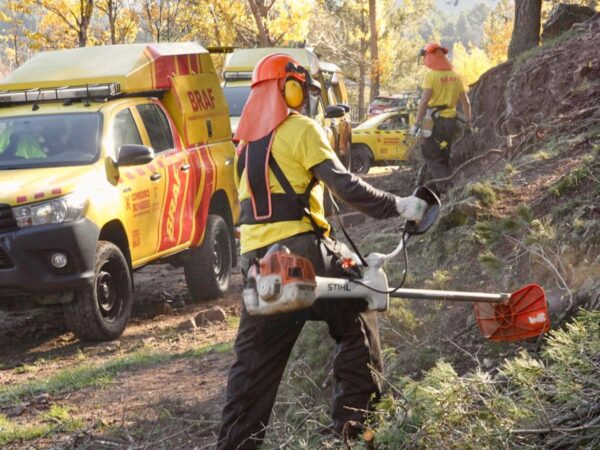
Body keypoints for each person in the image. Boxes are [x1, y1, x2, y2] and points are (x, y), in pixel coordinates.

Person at [217, 53, 427, 450]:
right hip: (301, 253)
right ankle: (354, 434)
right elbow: (344, 185)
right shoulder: (301, 129)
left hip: (259, 266)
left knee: (252, 371)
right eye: (301, 91)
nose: (304, 101)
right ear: (288, 88)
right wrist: (396, 205)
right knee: (361, 307)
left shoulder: (243, 146)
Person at [411, 42, 472, 193]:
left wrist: (416, 124)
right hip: (450, 121)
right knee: (444, 151)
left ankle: (448, 189)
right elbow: (466, 102)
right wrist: (469, 123)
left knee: (429, 153)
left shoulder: (431, 76)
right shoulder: (456, 75)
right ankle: (436, 190)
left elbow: (424, 102)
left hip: (431, 120)